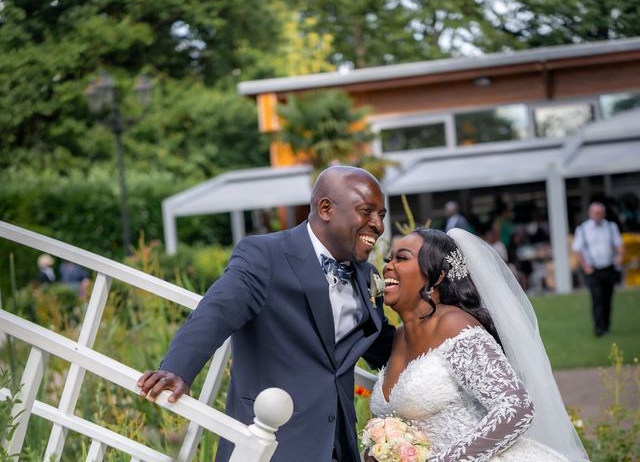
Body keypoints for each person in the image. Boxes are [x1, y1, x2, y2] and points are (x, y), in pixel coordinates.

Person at [138, 166, 396, 462]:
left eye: (382, 216)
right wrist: (177, 368)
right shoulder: (266, 256)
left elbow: (381, 347)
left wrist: (437, 327)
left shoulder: (366, 277)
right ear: (325, 208)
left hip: (338, 447)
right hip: (271, 445)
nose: (378, 225)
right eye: (367, 212)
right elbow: (217, 310)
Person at [366, 228, 588, 462]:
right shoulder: (399, 338)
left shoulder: (455, 326)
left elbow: (516, 407)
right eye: (390, 258)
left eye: (401, 258)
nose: (388, 266)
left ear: (438, 276)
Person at [572, 202, 624, 337]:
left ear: (604, 213)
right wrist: (585, 266)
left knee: (608, 298)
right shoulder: (583, 229)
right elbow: (577, 249)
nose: (598, 215)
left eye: (600, 213)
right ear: (590, 214)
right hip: (592, 270)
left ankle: (606, 325)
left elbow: (619, 245)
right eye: (595, 213)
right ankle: (598, 328)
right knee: (597, 298)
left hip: (608, 268)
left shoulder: (611, 227)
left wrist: (619, 256)